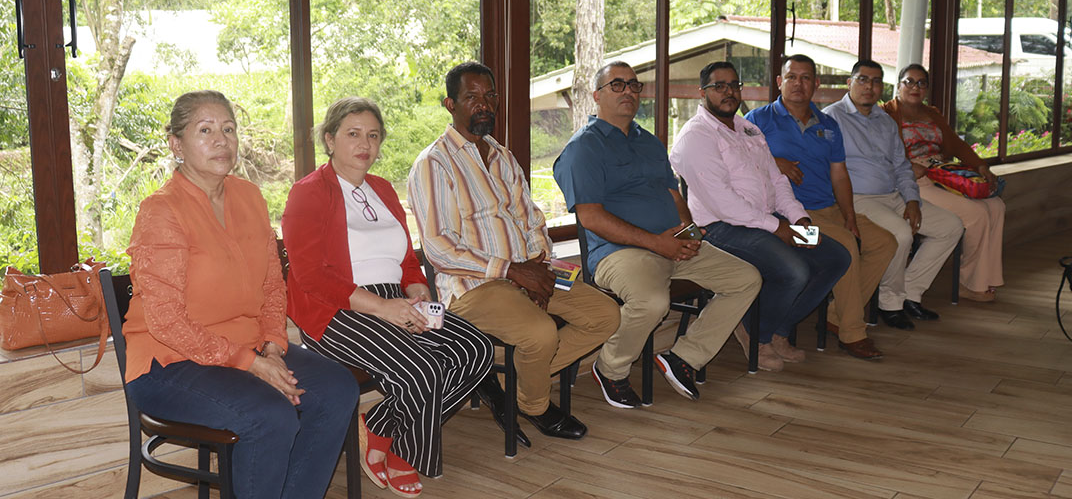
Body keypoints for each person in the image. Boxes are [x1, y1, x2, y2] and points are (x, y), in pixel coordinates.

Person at [123, 90, 358, 499]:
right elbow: (167, 322)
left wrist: (272, 347)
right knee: (270, 416)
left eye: (228, 129)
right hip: (170, 363)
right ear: (176, 144)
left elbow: (272, 284)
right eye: (205, 130)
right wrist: (248, 363)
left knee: (337, 388)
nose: (221, 140)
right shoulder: (161, 211)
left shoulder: (249, 196)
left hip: (248, 348)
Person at [282, 96, 494, 496]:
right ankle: (402, 453)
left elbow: (405, 258)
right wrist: (382, 307)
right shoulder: (308, 193)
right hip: (337, 312)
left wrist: (416, 290)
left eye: (373, 135)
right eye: (353, 134)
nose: (365, 144)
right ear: (330, 140)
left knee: (475, 349)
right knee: (424, 368)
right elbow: (310, 277)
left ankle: (379, 426)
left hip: (395, 299)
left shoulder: (382, 189)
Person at [408, 61, 619, 443]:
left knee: (605, 314)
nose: (483, 105)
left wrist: (538, 265)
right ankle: (535, 405)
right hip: (474, 287)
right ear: (450, 104)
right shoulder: (433, 164)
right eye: (471, 97)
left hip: (530, 271)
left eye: (490, 96)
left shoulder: (503, 157)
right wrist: (513, 272)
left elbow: (531, 219)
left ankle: (518, 386)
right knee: (540, 333)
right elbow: (438, 248)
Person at [554, 61, 760, 406]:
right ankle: (611, 369)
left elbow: (673, 194)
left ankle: (684, 358)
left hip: (670, 244)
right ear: (596, 96)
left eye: (634, 85)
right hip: (618, 253)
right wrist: (656, 244)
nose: (629, 92)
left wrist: (688, 233)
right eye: (617, 85)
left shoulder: (648, 142)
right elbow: (591, 218)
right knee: (652, 301)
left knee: (747, 278)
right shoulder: (583, 149)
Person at [671, 61, 851, 371]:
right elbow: (723, 203)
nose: (729, 92)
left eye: (734, 85)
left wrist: (800, 221)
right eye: (719, 86)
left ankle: (778, 331)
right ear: (703, 93)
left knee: (835, 256)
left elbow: (778, 181)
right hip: (718, 228)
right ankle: (757, 333)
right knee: (794, 269)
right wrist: (779, 229)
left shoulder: (747, 128)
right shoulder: (696, 136)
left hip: (765, 220)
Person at [747, 54, 897, 360]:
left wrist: (850, 217)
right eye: (791, 77)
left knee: (885, 242)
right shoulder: (758, 120)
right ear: (779, 82)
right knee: (846, 247)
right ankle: (852, 333)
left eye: (805, 78)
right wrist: (773, 162)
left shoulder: (828, 124)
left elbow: (839, 174)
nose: (798, 84)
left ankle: (835, 315)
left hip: (829, 210)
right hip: (787, 221)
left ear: (816, 83)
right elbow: (737, 162)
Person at [824, 60, 964, 329]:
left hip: (894, 195)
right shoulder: (832, 118)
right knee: (901, 234)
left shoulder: (885, 120)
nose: (869, 86)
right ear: (849, 83)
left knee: (950, 226)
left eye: (876, 81)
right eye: (863, 79)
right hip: (858, 199)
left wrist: (912, 200)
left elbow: (901, 166)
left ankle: (910, 292)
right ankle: (889, 303)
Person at [883, 64, 1005, 303]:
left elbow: (956, 145)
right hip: (912, 179)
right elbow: (881, 152)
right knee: (976, 214)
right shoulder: (886, 114)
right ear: (898, 85)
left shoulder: (933, 114)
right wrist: (908, 166)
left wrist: (980, 165)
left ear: (927, 89)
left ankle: (985, 278)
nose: (915, 87)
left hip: (942, 173)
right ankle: (969, 283)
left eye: (921, 83)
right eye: (909, 81)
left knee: (996, 206)